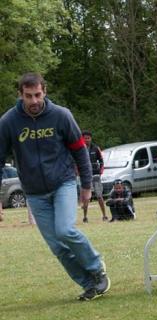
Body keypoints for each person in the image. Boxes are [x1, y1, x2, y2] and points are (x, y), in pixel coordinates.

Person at [0, 72, 110, 301]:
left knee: (65, 230)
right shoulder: (8, 122)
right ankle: (90, 283)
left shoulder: (61, 116)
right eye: (28, 96)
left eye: (37, 95)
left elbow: (80, 151)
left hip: (63, 183)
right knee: (57, 246)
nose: (34, 101)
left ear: (45, 92)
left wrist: (87, 185)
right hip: (34, 193)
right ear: (20, 95)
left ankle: (96, 266)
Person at [81, 130, 108, 223]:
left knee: (99, 196)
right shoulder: (79, 148)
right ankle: (85, 217)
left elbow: (101, 161)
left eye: (88, 138)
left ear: (91, 138)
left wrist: (100, 172)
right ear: (82, 139)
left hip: (96, 175)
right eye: (85, 138)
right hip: (85, 176)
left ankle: (104, 215)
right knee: (86, 198)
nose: (87, 140)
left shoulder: (96, 148)